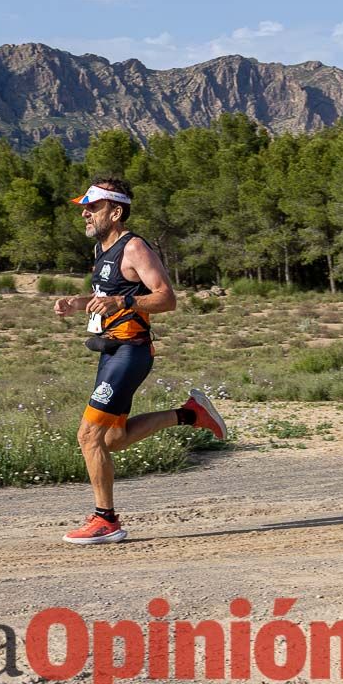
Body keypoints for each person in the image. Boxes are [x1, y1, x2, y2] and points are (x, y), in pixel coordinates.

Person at [53, 176, 227, 544]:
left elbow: (166, 298)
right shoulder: (104, 249)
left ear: (115, 211)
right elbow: (112, 295)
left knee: (88, 436)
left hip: (131, 352)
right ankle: (190, 414)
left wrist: (124, 303)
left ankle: (106, 520)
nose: (85, 213)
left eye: (93, 206)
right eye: (84, 206)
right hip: (111, 350)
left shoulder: (134, 248)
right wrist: (78, 303)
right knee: (113, 439)